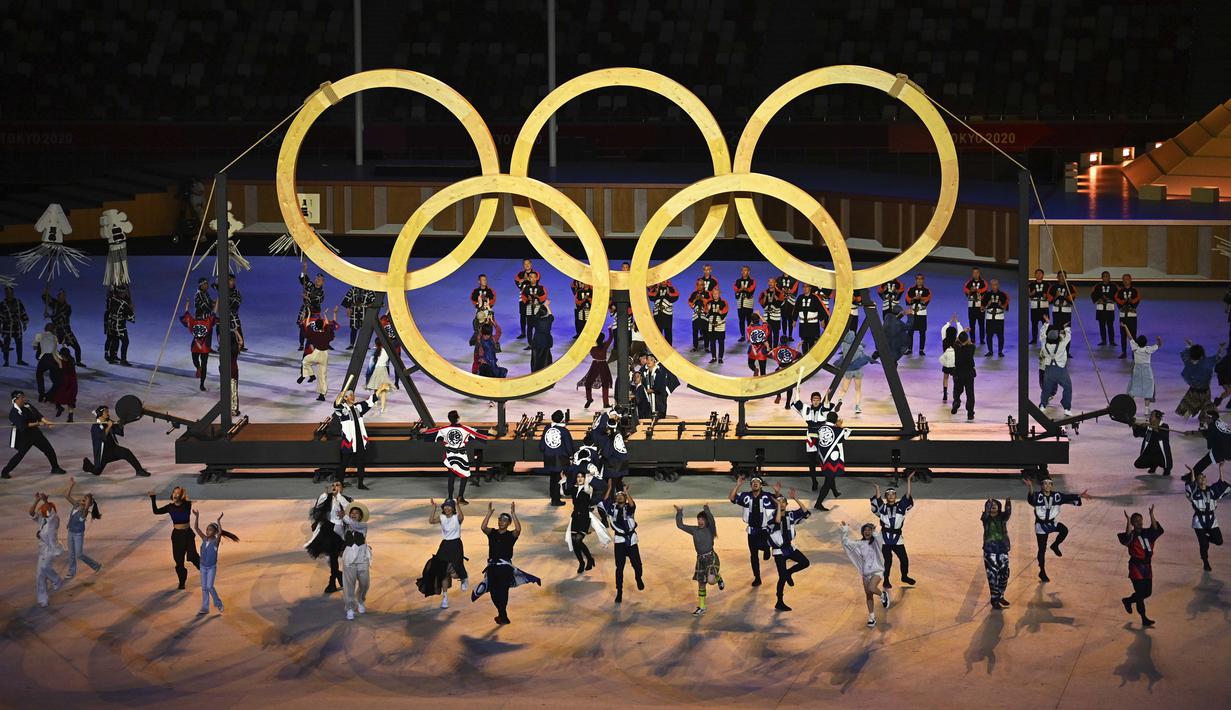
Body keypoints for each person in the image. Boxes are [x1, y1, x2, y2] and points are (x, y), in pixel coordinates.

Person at [475, 502, 538, 625]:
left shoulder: (511, 535)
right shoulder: (492, 533)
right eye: (500, 519)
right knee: (493, 592)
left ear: (508, 523)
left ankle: (502, 615)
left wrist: (513, 514)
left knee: (503, 591)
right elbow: (483, 527)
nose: (501, 522)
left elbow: (518, 529)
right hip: (492, 568)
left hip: (505, 568)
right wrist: (488, 514)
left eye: (504, 520)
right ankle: (502, 614)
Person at [1024, 477, 1090, 582]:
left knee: (1064, 530)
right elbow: (1031, 498)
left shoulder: (1056, 496)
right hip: (1041, 526)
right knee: (1042, 549)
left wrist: (1079, 495)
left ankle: (1055, 545)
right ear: (1042, 486)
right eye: (1045, 484)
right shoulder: (1038, 496)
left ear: (1052, 486)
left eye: (1050, 484)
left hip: (1052, 523)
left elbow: (1067, 497)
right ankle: (1042, 571)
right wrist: (1030, 486)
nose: (1048, 486)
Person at [793, 388, 848, 507]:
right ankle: (814, 482)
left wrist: (827, 395)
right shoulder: (807, 409)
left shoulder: (823, 409)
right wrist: (797, 390)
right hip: (811, 438)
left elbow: (827, 405)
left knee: (827, 463)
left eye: (818, 399)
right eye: (814, 399)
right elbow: (797, 403)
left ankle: (833, 489)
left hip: (822, 436)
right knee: (812, 461)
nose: (816, 401)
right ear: (811, 400)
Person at [334, 385, 391, 490]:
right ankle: (340, 482)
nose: (353, 397)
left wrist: (379, 390)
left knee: (361, 463)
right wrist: (339, 396)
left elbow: (370, 401)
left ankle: (360, 484)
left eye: (353, 395)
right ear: (345, 398)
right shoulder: (343, 410)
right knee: (344, 463)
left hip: (359, 440)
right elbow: (336, 405)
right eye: (350, 396)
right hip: (349, 441)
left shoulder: (358, 408)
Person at [426, 410, 489, 503]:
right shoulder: (465, 429)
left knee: (451, 476)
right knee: (464, 476)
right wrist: (490, 432)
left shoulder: (444, 429)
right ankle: (460, 497)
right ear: (458, 418)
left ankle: (450, 498)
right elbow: (477, 433)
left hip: (450, 455)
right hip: (461, 456)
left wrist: (425, 431)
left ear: (449, 419)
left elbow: (433, 432)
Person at [729, 474, 778, 586]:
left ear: (761, 485)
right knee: (753, 555)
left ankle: (766, 549)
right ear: (751, 485)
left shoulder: (767, 496)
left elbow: (779, 501)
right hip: (752, 530)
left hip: (764, 530)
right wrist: (737, 485)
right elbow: (732, 498)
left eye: (757, 482)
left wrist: (776, 493)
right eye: (753, 482)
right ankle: (757, 577)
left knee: (764, 545)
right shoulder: (746, 496)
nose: (755, 483)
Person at [675, 504, 723, 616]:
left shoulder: (710, 529)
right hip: (700, 560)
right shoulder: (694, 530)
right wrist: (679, 512)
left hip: (711, 558)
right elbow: (680, 525)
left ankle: (718, 578)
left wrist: (706, 509)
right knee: (701, 584)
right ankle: (702, 606)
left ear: (706, 521)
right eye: (699, 519)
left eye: (702, 519)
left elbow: (712, 519)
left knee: (711, 581)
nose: (700, 521)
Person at [4, 390, 65, 477]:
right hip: (25, 436)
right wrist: (38, 424)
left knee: (49, 450)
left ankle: (55, 468)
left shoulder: (27, 405)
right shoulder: (13, 413)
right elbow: (24, 425)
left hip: (35, 433)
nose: (24, 399)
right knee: (20, 455)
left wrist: (46, 422)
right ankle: (5, 472)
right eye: (22, 397)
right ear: (16, 399)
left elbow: (38, 415)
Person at [1118, 505, 1162, 627]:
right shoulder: (1131, 536)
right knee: (1140, 593)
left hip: (1147, 567)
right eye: (1136, 521)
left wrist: (1151, 514)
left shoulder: (1147, 533)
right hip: (1136, 567)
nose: (1139, 522)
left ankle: (1128, 600)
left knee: (1147, 592)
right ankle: (1144, 618)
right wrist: (1127, 522)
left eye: (1140, 520)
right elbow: (1126, 537)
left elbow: (1156, 528)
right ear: (1133, 523)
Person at [768, 488, 811, 612]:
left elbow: (806, 513)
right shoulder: (771, 516)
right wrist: (777, 507)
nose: (780, 503)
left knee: (805, 562)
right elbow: (776, 522)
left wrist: (795, 498)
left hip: (790, 548)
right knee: (781, 578)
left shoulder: (790, 515)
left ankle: (789, 573)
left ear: (786, 504)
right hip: (779, 551)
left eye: (783, 502)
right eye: (778, 501)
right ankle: (779, 601)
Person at [840, 521, 889, 628]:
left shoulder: (876, 542)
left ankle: (883, 595)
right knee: (869, 595)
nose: (867, 532)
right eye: (865, 530)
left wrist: (875, 531)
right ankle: (871, 617)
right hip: (866, 573)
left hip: (877, 571)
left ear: (872, 532)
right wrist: (845, 530)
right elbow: (845, 543)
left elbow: (880, 539)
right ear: (862, 532)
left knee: (872, 588)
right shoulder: (859, 544)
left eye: (869, 530)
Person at [871, 472, 917, 588]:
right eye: (888, 494)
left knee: (904, 559)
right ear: (886, 497)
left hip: (898, 540)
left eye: (893, 494)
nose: (891, 496)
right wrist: (877, 488)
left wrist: (908, 480)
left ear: (895, 496)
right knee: (888, 561)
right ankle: (886, 580)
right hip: (885, 539)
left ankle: (904, 576)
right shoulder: (883, 508)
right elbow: (877, 499)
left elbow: (907, 495)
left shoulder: (901, 506)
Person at [149, 486, 199, 590]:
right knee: (179, 561)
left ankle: (205, 571)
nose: (175, 495)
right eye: (174, 493)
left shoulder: (187, 505)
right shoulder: (169, 507)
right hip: (177, 536)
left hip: (188, 535)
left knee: (193, 556)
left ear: (181, 495)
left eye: (178, 493)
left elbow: (187, 500)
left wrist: (184, 495)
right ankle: (182, 582)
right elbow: (156, 511)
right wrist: (153, 498)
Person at [306, 481, 352, 594]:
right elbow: (318, 508)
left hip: (339, 531)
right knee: (331, 558)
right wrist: (325, 494)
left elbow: (349, 509)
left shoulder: (347, 499)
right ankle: (336, 578)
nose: (334, 487)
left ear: (342, 488)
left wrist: (339, 495)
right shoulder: (326, 498)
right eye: (333, 485)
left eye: (337, 485)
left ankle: (333, 581)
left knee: (334, 556)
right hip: (327, 530)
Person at [600, 486, 644, 603]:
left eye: (622, 495)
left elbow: (632, 505)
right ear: (615, 499)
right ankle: (619, 591)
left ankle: (638, 577)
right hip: (620, 541)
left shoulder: (628, 508)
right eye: (617, 495)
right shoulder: (612, 509)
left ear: (625, 498)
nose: (619, 496)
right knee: (619, 568)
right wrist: (609, 488)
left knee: (637, 564)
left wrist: (626, 492)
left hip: (631, 540)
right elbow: (604, 502)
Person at [560, 470, 610, 573]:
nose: (579, 478)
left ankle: (589, 559)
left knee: (578, 540)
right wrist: (563, 481)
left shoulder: (589, 488)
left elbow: (587, 489)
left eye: (582, 477)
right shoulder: (574, 488)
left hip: (584, 516)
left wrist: (588, 478)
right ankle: (582, 562)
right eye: (578, 477)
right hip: (575, 517)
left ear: (585, 478)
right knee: (574, 541)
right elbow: (563, 493)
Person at [192, 508, 237, 615]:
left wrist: (218, 521)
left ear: (215, 532)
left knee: (209, 586)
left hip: (211, 567)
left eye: (210, 530)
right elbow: (196, 528)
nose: (207, 531)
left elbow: (220, 532)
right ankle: (205, 608)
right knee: (204, 588)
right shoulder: (204, 538)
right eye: (207, 529)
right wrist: (197, 516)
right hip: (202, 566)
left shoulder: (216, 542)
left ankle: (218, 603)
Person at [1184, 469, 1230, 571]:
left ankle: (1205, 539)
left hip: (1212, 519)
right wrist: (1192, 472)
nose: (1203, 479)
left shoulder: (1212, 490)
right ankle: (1205, 562)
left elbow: (1221, 484)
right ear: (1197, 481)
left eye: (1204, 477)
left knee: (1219, 541)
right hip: (1199, 521)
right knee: (1203, 545)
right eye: (1200, 478)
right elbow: (1190, 486)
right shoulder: (1195, 492)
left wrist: (1221, 469)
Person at [84, 404, 149, 476]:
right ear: (100, 413)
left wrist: (123, 423)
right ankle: (87, 465)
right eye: (106, 412)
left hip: (113, 449)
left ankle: (139, 471)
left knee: (127, 452)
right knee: (97, 472)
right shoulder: (95, 427)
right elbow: (102, 437)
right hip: (103, 454)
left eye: (108, 411)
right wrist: (109, 426)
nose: (108, 413)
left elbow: (118, 430)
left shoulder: (108, 421)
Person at [428, 498, 468, 609]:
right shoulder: (442, 517)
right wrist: (434, 508)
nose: (447, 508)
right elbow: (431, 521)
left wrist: (458, 505)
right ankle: (445, 597)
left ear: (453, 508)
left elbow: (461, 517)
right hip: (445, 545)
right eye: (445, 506)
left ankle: (464, 578)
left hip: (456, 544)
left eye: (449, 506)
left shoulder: (456, 518)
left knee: (455, 571)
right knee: (443, 570)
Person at [337, 500, 371, 620]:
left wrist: (345, 517)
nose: (354, 514)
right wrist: (339, 519)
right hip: (349, 559)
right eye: (352, 513)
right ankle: (350, 607)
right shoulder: (346, 526)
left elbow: (354, 525)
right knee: (348, 585)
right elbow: (336, 530)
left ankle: (360, 600)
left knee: (365, 583)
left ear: (361, 516)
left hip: (362, 558)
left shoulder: (363, 526)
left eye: (357, 513)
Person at [29, 492, 63, 608]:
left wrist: (45, 501)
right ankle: (43, 599)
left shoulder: (54, 520)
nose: (41, 510)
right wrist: (37, 500)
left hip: (52, 549)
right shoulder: (42, 520)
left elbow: (49, 510)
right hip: (42, 549)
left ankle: (57, 580)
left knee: (45, 567)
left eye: (42, 509)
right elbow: (31, 513)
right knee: (40, 575)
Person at [63, 480, 102, 578]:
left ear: (87, 504)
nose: (82, 499)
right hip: (70, 532)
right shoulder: (76, 505)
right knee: (71, 553)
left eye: (84, 500)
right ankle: (71, 572)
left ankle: (96, 565)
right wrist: (71, 484)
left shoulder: (84, 513)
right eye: (83, 498)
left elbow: (85, 509)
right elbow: (66, 496)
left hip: (78, 535)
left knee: (79, 554)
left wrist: (89, 499)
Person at [299, 307, 339, 402]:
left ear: (316, 326)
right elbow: (330, 325)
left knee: (305, 361)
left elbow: (307, 325)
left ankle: (311, 375)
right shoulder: (327, 333)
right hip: (325, 355)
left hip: (316, 354)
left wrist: (308, 315)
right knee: (322, 376)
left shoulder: (314, 334)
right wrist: (326, 315)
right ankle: (322, 395)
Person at [1177, 341, 1225, 418]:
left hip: (1203, 392)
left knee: (1203, 410)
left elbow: (1216, 358)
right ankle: (1185, 421)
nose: (1193, 361)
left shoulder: (1205, 363)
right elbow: (1217, 357)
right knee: (1188, 409)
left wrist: (1189, 346)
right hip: (1195, 391)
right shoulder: (1195, 361)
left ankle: (1201, 421)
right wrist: (1221, 348)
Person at [981, 497, 1013, 610]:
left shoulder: (1002, 518)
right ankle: (994, 599)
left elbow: (1008, 512)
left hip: (1003, 550)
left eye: (995, 504)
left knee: (1004, 574)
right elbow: (985, 513)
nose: (993, 506)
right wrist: (988, 503)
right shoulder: (986, 519)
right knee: (992, 577)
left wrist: (1008, 502)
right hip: (990, 552)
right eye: (991, 505)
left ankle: (1001, 595)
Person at [1039, 319, 1074, 417]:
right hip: (1060, 370)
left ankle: (1043, 405)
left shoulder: (1044, 344)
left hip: (1048, 370)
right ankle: (1066, 408)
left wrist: (1046, 324)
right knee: (1067, 387)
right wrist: (1066, 328)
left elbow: (1042, 335)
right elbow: (1068, 337)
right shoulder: (1061, 345)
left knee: (1046, 389)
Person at [539, 410, 575, 506]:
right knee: (558, 478)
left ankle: (553, 495)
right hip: (559, 458)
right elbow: (568, 446)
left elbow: (542, 445)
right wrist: (571, 455)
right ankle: (556, 499)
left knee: (552, 477)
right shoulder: (564, 431)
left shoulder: (547, 428)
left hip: (548, 456)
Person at [181, 299, 217, 392]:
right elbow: (187, 313)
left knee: (203, 364)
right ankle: (198, 369)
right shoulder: (203, 322)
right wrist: (218, 301)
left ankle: (202, 383)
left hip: (201, 347)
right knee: (198, 362)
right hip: (199, 347)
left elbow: (186, 313)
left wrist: (187, 304)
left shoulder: (201, 321)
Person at [834, 331, 872, 415]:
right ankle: (857, 406)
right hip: (858, 370)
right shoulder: (859, 346)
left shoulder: (844, 345)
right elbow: (864, 346)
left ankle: (840, 399)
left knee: (844, 389)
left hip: (848, 370)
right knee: (858, 389)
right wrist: (858, 341)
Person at [42, 286, 82, 366]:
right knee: (50, 347)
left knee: (77, 347)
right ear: (58, 297)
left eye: (63, 296)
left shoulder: (68, 307)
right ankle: (50, 361)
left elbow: (60, 316)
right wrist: (45, 292)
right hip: (56, 331)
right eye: (60, 296)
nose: (62, 298)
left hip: (66, 330)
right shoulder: (55, 303)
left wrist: (49, 316)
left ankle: (78, 361)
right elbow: (45, 299)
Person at [1124, 327, 1162, 410]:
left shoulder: (1135, 348)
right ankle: (1146, 409)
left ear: (1137, 342)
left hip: (1137, 370)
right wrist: (1159, 340)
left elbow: (1129, 337)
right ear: (1146, 343)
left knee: (1133, 387)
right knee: (1148, 389)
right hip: (1146, 371)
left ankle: (1127, 405)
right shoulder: (1148, 349)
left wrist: (1125, 327)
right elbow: (1159, 345)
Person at [1191, 405, 1231, 478]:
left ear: (1210, 418)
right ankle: (1192, 474)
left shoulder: (1212, 426)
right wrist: (1192, 432)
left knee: (1205, 460)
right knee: (1206, 460)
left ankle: (1191, 476)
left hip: (1225, 448)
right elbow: (1211, 433)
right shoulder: (1219, 421)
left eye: (1206, 418)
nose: (1205, 420)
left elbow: (1209, 445)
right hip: (1227, 445)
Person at [1132, 410, 1174, 476]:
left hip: (1161, 454)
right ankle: (1153, 465)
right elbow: (1137, 434)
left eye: (1152, 416)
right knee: (1138, 464)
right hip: (1151, 453)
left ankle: (1166, 469)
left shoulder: (1165, 426)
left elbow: (1161, 436)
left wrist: (1151, 427)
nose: (1150, 417)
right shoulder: (1148, 427)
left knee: (1167, 465)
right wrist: (1134, 426)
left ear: (1157, 418)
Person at [103, 286, 135, 366]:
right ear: (122, 293)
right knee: (125, 342)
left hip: (111, 325)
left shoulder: (110, 299)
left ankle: (112, 357)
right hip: (120, 327)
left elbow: (108, 309)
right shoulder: (124, 304)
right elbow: (131, 318)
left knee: (114, 340)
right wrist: (131, 309)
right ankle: (123, 360)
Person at [579, 333, 612, 409]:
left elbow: (585, 340)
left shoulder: (592, 347)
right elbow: (611, 338)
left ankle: (589, 399)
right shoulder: (604, 345)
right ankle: (605, 403)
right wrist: (610, 330)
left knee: (588, 383)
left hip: (595, 365)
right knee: (605, 384)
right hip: (603, 365)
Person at [212, 275, 244, 350]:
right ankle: (221, 344)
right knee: (219, 329)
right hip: (222, 315)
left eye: (233, 280)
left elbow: (236, 302)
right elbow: (215, 285)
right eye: (231, 280)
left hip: (232, 315)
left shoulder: (235, 292)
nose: (233, 282)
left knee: (236, 329)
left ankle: (240, 344)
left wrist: (226, 299)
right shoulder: (222, 290)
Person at [951, 329, 978, 420]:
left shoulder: (956, 347)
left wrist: (962, 333)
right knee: (970, 393)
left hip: (958, 372)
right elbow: (969, 343)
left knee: (957, 390)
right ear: (967, 340)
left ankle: (956, 402)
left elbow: (956, 340)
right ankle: (970, 413)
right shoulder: (971, 348)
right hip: (969, 373)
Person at [297, 267, 326, 350]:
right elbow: (303, 279)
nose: (317, 280)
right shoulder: (310, 285)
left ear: (322, 282)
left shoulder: (321, 292)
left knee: (312, 330)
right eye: (317, 278)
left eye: (320, 280)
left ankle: (310, 345)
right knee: (302, 328)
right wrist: (304, 269)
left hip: (314, 313)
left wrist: (307, 297)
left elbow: (317, 300)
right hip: (305, 310)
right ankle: (301, 344)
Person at [0, 286, 29, 366]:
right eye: (7, 293)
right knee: (6, 345)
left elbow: (23, 313)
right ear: (5, 294)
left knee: (19, 343)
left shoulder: (18, 302)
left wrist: (25, 322)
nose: (9, 294)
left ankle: (19, 360)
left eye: (10, 292)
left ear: (13, 293)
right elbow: (0, 316)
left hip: (17, 326)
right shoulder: (2, 304)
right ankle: (6, 361)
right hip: (7, 327)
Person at [937, 315, 964, 402]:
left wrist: (949, 322)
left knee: (945, 377)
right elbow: (961, 331)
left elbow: (943, 329)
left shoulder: (944, 339)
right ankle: (955, 395)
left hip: (947, 360)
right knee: (955, 378)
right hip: (955, 362)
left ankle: (945, 394)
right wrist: (957, 322)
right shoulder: (957, 340)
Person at [645, 353, 679, 419]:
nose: (648, 361)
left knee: (659, 416)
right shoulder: (645, 372)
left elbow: (659, 386)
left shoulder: (659, 372)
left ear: (655, 361)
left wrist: (650, 390)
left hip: (659, 399)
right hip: (650, 400)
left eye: (651, 360)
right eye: (647, 360)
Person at [1116, 274, 1142, 360]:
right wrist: (1124, 302)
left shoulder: (1135, 290)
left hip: (1132, 316)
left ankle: (1134, 353)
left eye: (1127, 279)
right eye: (1124, 279)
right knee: (1123, 335)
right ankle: (1124, 352)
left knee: (1133, 335)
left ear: (1130, 279)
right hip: (1123, 316)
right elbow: (1117, 300)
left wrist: (1131, 301)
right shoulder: (1119, 291)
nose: (1126, 281)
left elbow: (1137, 299)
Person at [982, 278, 1009, 357]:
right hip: (989, 317)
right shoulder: (987, 295)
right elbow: (982, 308)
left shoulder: (1003, 295)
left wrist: (1001, 305)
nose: (994, 286)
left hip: (999, 317)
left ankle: (1000, 351)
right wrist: (987, 304)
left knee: (1000, 335)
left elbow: (1006, 308)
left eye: (996, 284)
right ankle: (990, 351)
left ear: (998, 285)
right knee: (989, 335)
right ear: (991, 285)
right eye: (993, 285)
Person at [519, 271, 547, 346]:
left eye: (534, 277)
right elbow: (523, 297)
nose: (532, 278)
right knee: (530, 327)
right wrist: (528, 300)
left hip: (538, 310)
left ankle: (539, 342)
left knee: (539, 327)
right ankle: (530, 344)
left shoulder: (541, 288)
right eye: (530, 277)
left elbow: (544, 297)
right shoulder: (526, 288)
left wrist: (537, 297)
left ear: (536, 278)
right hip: (529, 309)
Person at [1091, 271, 1118, 347]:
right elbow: (1093, 295)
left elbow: (1117, 295)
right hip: (1100, 308)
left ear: (1109, 277)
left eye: (1107, 276)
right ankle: (1103, 340)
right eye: (1105, 276)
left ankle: (1112, 341)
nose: (1106, 278)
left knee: (1110, 325)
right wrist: (1098, 300)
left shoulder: (1114, 286)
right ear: (1102, 277)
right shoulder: (1097, 286)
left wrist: (1111, 300)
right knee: (1102, 325)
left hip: (1110, 308)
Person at [906, 274, 931, 355]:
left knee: (922, 332)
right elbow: (907, 300)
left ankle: (921, 349)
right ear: (915, 280)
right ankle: (909, 349)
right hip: (913, 313)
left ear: (923, 280)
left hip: (922, 313)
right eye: (918, 279)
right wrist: (914, 298)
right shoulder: (911, 289)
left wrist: (921, 298)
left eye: (921, 279)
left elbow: (927, 300)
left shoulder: (927, 290)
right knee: (910, 331)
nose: (919, 280)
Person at [49, 347, 77, 421]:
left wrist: (53, 346)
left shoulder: (61, 362)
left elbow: (54, 355)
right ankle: (70, 417)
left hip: (64, 382)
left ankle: (59, 408)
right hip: (73, 382)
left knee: (57, 395)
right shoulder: (72, 360)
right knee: (71, 400)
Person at [796, 285, 826, 352]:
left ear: (810, 288)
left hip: (813, 325)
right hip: (803, 325)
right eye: (803, 287)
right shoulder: (800, 298)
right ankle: (804, 356)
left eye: (806, 287)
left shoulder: (815, 298)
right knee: (804, 341)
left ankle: (811, 357)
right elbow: (796, 309)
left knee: (812, 342)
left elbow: (820, 309)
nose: (805, 288)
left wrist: (822, 320)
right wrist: (794, 320)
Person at [770, 342, 801, 407]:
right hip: (789, 370)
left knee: (778, 384)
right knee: (790, 387)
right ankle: (787, 404)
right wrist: (798, 347)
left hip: (780, 370)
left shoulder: (776, 350)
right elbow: (799, 355)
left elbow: (769, 355)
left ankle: (778, 395)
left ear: (780, 342)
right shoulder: (791, 350)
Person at [514, 259, 539, 339]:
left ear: (531, 264)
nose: (527, 265)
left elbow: (535, 282)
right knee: (522, 315)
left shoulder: (536, 274)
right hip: (523, 297)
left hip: (533, 297)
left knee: (533, 315)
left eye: (528, 263)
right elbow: (518, 284)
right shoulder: (519, 274)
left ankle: (534, 332)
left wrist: (524, 280)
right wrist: (524, 282)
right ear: (523, 265)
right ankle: (523, 333)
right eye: (525, 264)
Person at [34, 324, 59, 402]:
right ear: (53, 330)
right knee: (56, 379)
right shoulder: (55, 337)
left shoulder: (39, 335)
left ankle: (41, 394)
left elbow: (34, 347)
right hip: (52, 358)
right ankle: (50, 395)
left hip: (43, 358)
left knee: (39, 374)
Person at [963, 267, 989, 345]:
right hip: (971, 307)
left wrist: (978, 291)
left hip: (980, 306)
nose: (975, 274)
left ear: (979, 273)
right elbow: (966, 293)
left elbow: (985, 292)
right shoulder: (968, 283)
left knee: (981, 324)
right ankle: (973, 339)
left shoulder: (984, 283)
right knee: (972, 324)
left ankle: (982, 339)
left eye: (977, 273)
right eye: (974, 273)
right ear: (972, 273)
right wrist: (971, 291)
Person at [649, 280, 679, 345]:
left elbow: (676, 297)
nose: (664, 281)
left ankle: (668, 349)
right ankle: (657, 349)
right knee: (657, 332)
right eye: (662, 280)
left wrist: (669, 294)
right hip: (657, 314)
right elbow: (651, 297)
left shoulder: (671, 288)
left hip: (667, 314)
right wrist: (656, 292)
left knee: (668, 331)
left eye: (665, 280)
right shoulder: (655, 288)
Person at [1027, 269, 1052, 345]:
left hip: (1044, 307)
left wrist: (1047, 296)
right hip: (1034, 307)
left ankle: (1047, 338)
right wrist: (1031, 294)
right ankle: (1034, 339)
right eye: (1037, 273)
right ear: (1035, 275)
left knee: (1046, 323)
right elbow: (1028, 295)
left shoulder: (1048, 285)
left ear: (1043, 275)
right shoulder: (1030, 285)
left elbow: (1051, 296)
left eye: (1040, 273)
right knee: (1034, 324)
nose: (1038, 275)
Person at [705, 286, 729, 363]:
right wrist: (708, 311)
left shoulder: (724, 302)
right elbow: (706, 315)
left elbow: (725, 312)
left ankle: (720, 358)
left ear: (719, 294)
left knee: (721, 342)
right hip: (711, 326)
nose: (715, 295)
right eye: (714, 294)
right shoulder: (709, 303)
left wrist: (720, 312)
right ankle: (714, 357)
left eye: (716, 294)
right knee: (712, 342)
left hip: (720, 326)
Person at [529, 299, 555, 372]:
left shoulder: (535, 320)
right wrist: (546, 306)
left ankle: (535, 374)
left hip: (537, 342)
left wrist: (543, 306)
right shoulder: (549, 320)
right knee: (546, 359)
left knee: (536, 359)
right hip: (546, 342)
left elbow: (536, 314)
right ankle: (545, 374)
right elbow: (550, 314)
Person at [733, 266, 757, 341]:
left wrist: (743, 290)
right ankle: (742, 336)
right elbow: (736, 289)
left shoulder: (752, 281)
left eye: (745, 270)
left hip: (748, 304)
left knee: (749, 320)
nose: (743, 272)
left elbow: (751, 289)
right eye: (742, 270)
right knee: (741, 320)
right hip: (740, 303)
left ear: (748, 272)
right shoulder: (738, 281)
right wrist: (741, 290)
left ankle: (750, 336)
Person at [759, 282, 784, 348]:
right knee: (768, 333)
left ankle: (775, 348)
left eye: (771, 282)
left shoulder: (779, 293)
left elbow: (780, 303)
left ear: (775, 283)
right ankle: (769, 348)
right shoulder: (764, 292)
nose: (770, 283)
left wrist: (775, 296)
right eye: (769, 282)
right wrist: (765, 296)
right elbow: (762, 304)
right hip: (767, 317)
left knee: (776, 333)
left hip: (776, 317)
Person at [746, 311, 771, 376]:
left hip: (752, 350)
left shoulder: (749, 329)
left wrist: (751, 323)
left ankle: (755, 369)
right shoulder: (763, 327)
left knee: (750, 364)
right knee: (763, 371)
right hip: (762, 351)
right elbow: (765, 323)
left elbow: (749, 339)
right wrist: (759, 314)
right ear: (759, 319)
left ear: (751, 320)